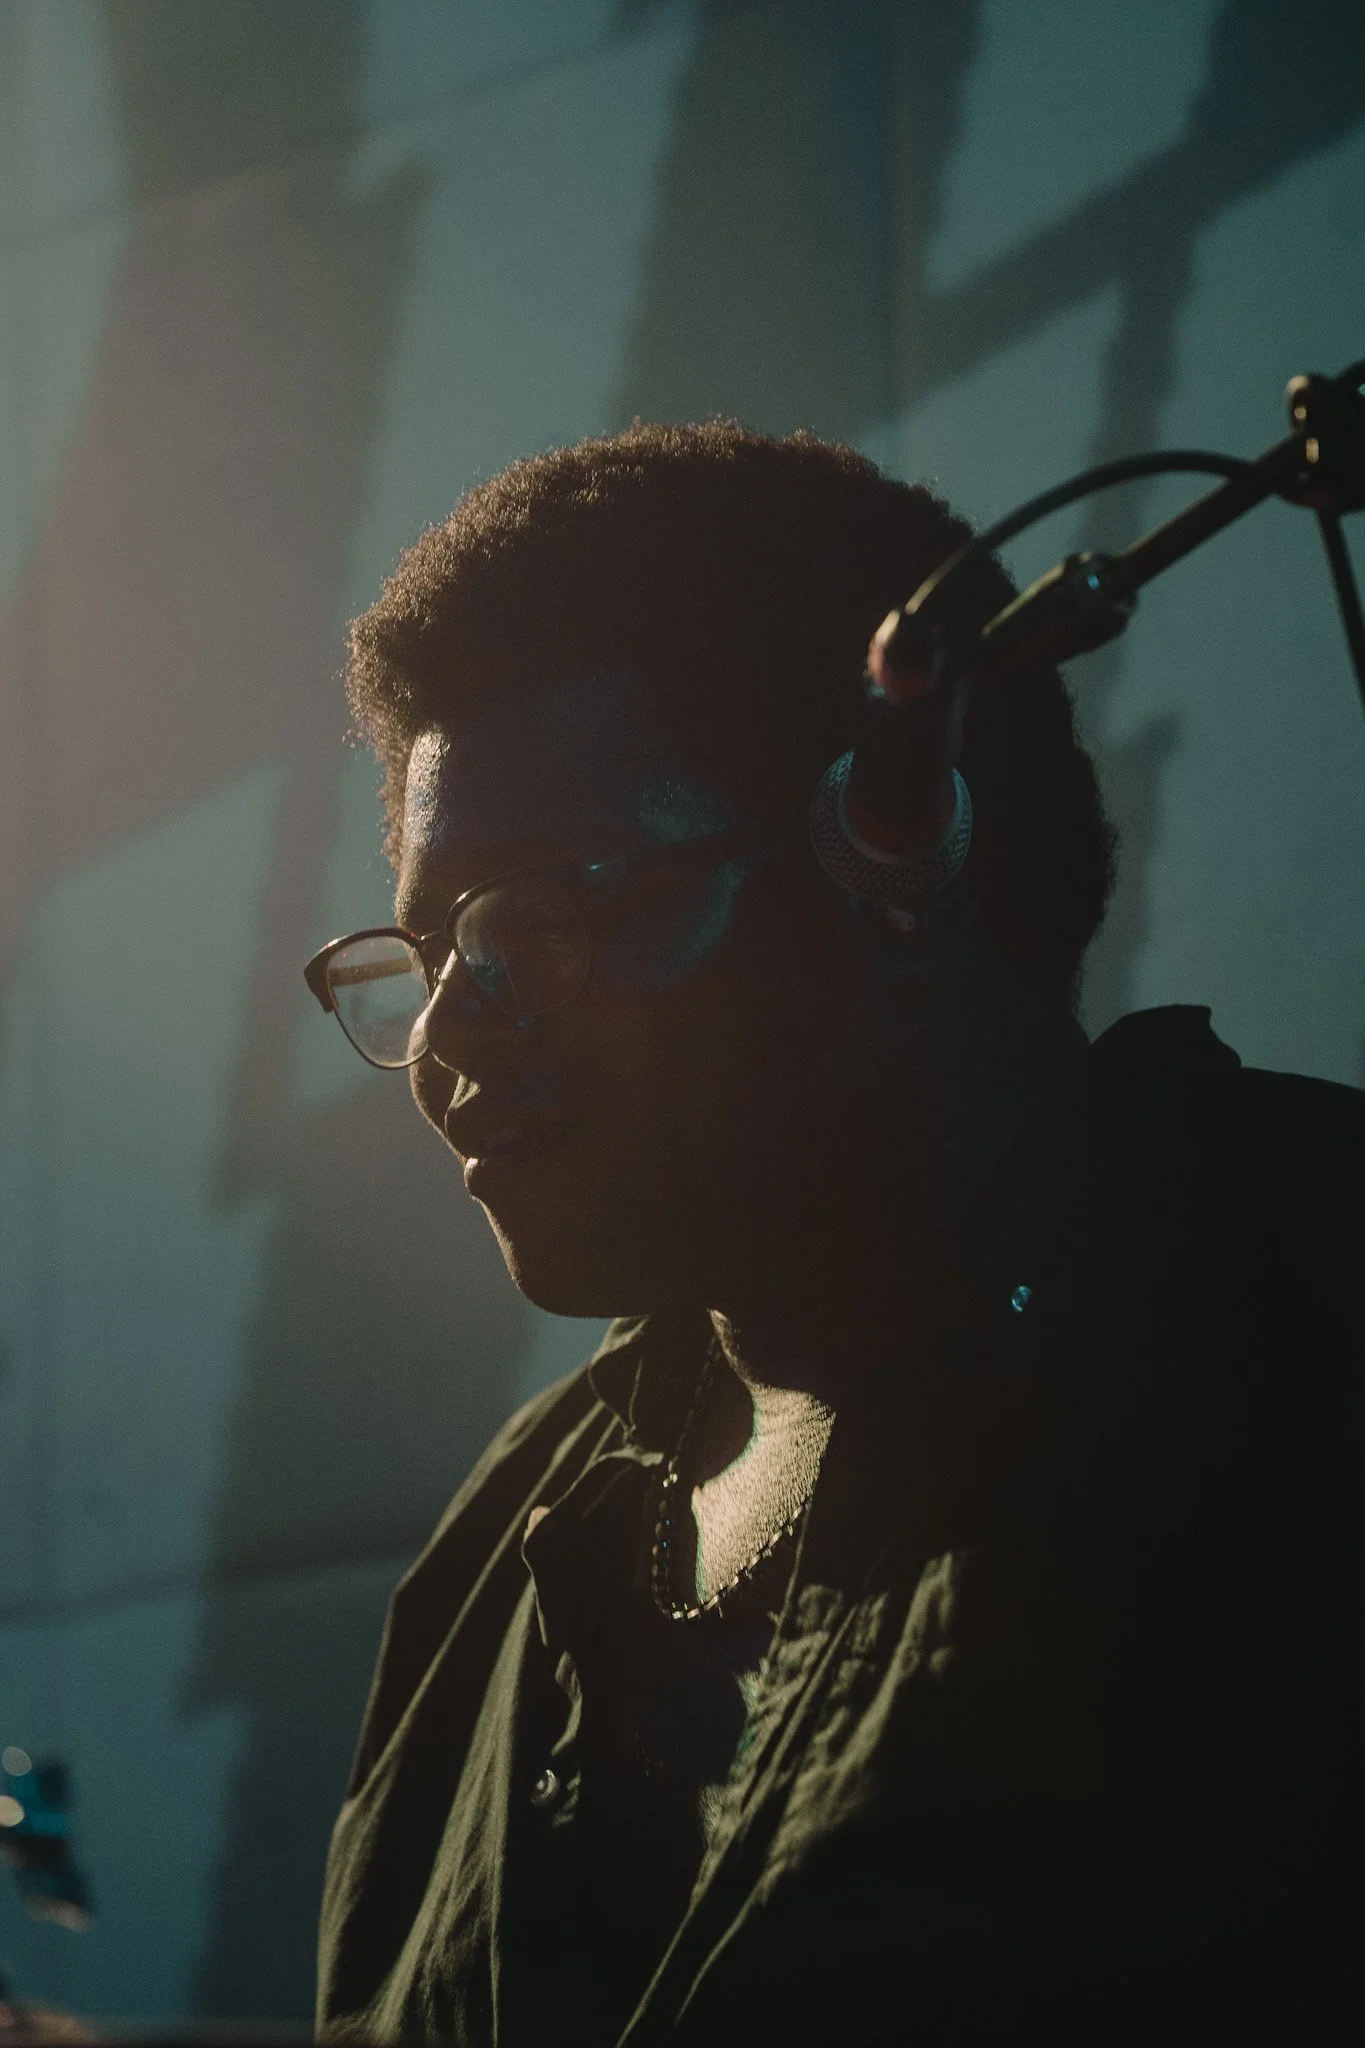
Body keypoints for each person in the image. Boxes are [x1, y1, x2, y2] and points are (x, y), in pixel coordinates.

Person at [307, 422, 1361, 2046]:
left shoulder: (1304, 1306)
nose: (445, 1035)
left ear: (897, 849)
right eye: (434, 948)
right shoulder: (496, 1547)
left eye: (547, 916)